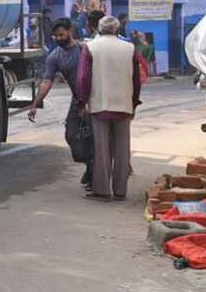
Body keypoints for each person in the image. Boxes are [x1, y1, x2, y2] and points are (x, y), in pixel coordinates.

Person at [76, 16, 142, 201]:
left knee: (102, 149)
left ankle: (102, 190)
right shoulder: (130, 48)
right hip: (124, 104)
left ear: (99, 29)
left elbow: (83, 78)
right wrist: (134, 102)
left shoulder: (90, 47)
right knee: (123, 149)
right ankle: (120, 190)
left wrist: (82, 102)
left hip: (99, 105)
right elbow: (136, 79)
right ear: (117, 29)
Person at [28, 17, 92, 187]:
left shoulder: (85, 49)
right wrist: (35, 104)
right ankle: (89, 164)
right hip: (77, 100)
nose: (58, 38)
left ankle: (94, 173)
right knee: (71, 135)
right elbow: (46, 82)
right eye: (56, 36)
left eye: (61, 35)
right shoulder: (54, 56)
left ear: (70, 32)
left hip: (93, 99)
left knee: (91, 137)